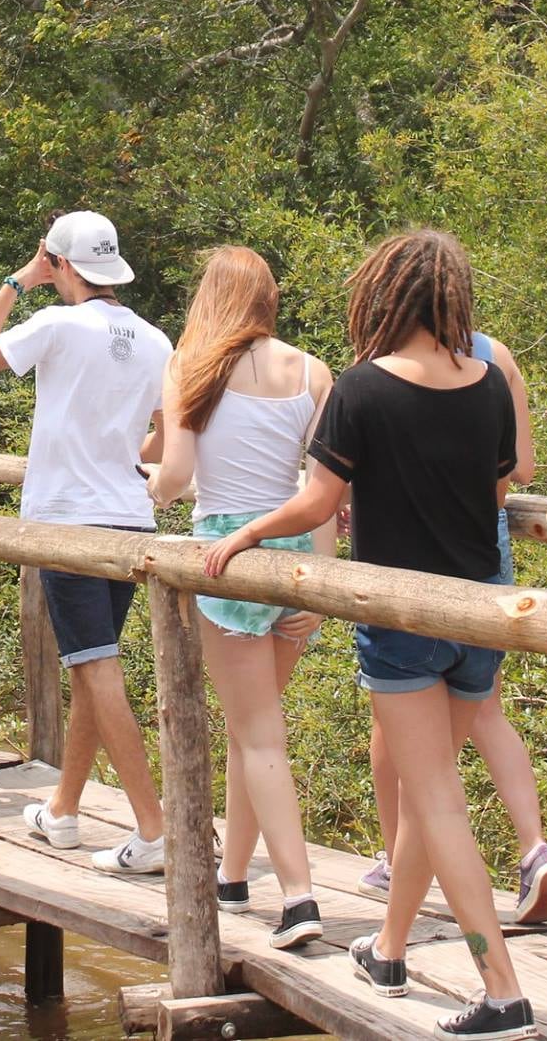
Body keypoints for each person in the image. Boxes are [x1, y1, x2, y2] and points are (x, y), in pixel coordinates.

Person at [202, 229, 534, 1040]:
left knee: (438, 803)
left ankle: (503, 990)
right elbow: (498, 486)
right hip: (479, 611)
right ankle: (388, 948)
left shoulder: (362, 387)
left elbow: (318, 502)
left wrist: (244, 536)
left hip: (400, 616)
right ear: (451, 297)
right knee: (431, 795)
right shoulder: (489, 381)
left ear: (384, 294)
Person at [0, 210, 174, 875]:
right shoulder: (156, 338)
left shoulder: (54, 322)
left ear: (60, 264)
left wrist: (15, 283)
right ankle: (63, 809)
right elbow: (165, 438)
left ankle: (156, 827)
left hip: (69, 521)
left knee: (94, 666)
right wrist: (116, 454)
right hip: (129, 520)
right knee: (93, 663)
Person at [147, 246, 333, 950]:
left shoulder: (191, 366)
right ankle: (231, 874)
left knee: (259, 735)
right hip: (291, 559)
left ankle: (298, 895)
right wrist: (324, 580)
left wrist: (155, 489)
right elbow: (322, 489)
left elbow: (177, 473)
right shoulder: (312, 370)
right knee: (252, 726)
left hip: (226, 558)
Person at [359, 328, 547, 925]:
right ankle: (534, 849)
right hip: (485, 544)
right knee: (486, 710)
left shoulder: (384, 356)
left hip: (407, 552)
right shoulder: (496, 356)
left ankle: (399, 860)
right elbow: (521, 468)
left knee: (394, 711)